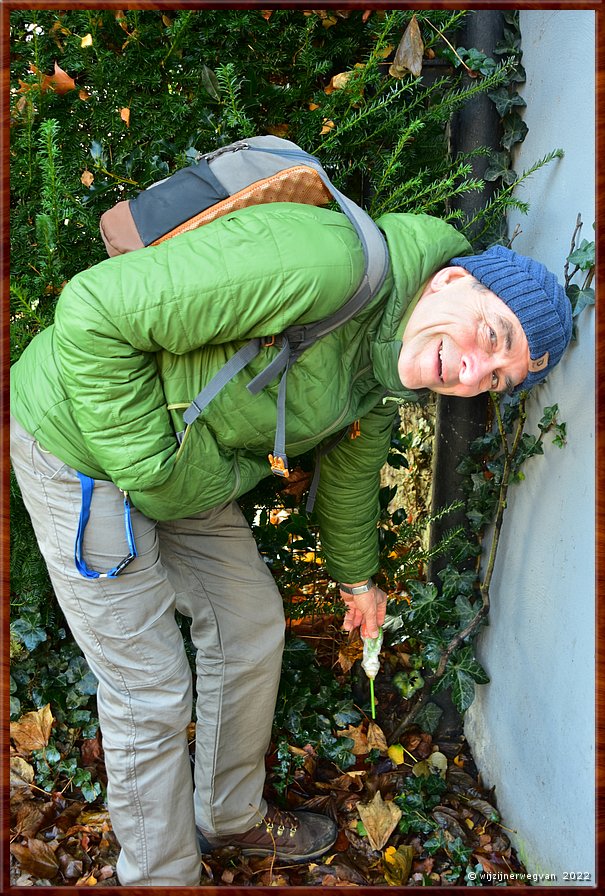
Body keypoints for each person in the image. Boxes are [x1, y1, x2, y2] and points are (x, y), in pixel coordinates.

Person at [10, 202, 572, 886]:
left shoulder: (390, 360)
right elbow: (92, 311)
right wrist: (153, 471)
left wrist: (358, 580)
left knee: (249, 624)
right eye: (491, 334)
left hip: (182, 459)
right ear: (452, 280)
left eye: (495, 377)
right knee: (148, 687)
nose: (472, 369)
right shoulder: (325, 265)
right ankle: (161, 874)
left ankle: (229, 814)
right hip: (78, 438)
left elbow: (350, 468)